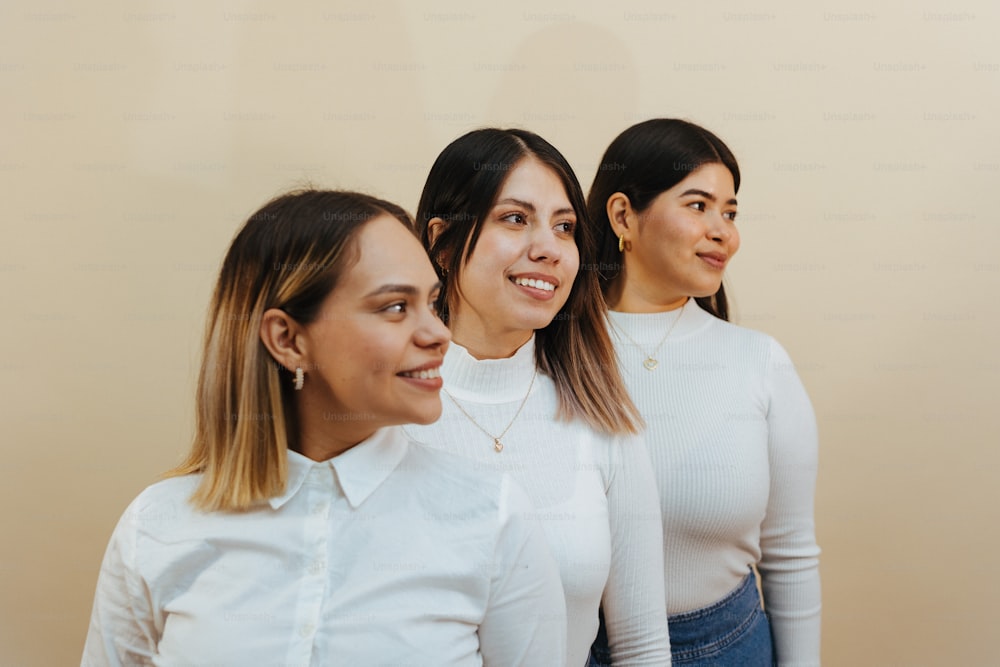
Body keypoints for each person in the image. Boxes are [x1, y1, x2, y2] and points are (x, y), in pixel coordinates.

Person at [82, 189, 567, 666]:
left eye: (432, 302)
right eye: (396, 307)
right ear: (288, 339)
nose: (438, 333)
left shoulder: (492, 519)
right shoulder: (156, 527)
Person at [405, 128, 671, 666]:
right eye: (515, 218)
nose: (549, 248)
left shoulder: (603, 422)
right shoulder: (378, 418)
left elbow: (642, 646)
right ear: (442, 241)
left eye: (565, 227)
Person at [585, 119, 821, 666]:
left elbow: (790, 555)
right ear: (623, 215)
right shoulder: (553, 352)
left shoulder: (760, 362)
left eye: (731, 212)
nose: (724, 232)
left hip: (728, 646)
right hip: (571, 646)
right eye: (698, 206)